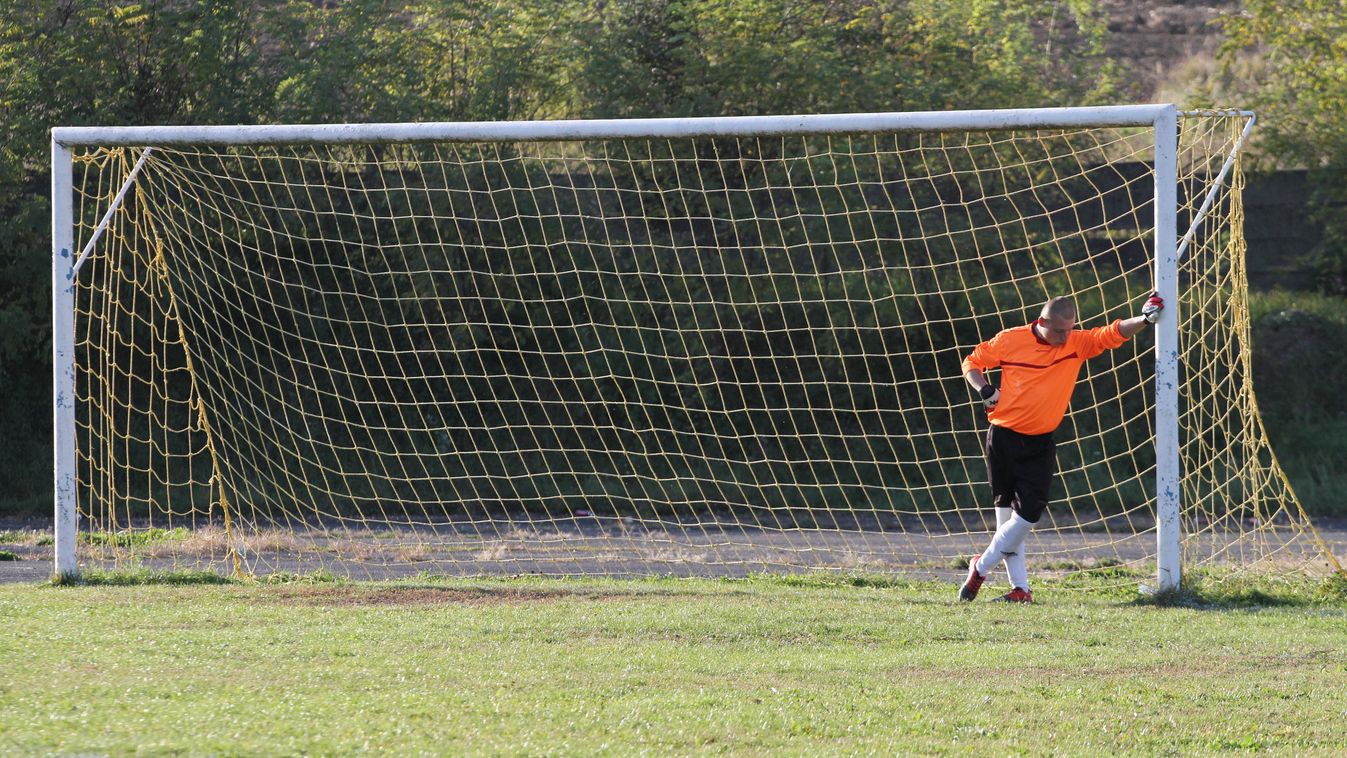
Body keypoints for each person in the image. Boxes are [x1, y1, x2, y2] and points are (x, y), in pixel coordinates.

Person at [958, 294, 1164, 603]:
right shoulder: (1010, 340)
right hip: (1003, 437)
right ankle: (1021, 589)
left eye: (1070, 329)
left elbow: (1110, 333)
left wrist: (1145, 320)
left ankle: (981, 566)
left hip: (1040, 441)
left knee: (1027, 517)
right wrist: (985, 389)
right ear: (1042, 323)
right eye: (1059, 331)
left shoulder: (1075, 343)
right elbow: (972, 362)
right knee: (1006, 519)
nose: (1066, 337)